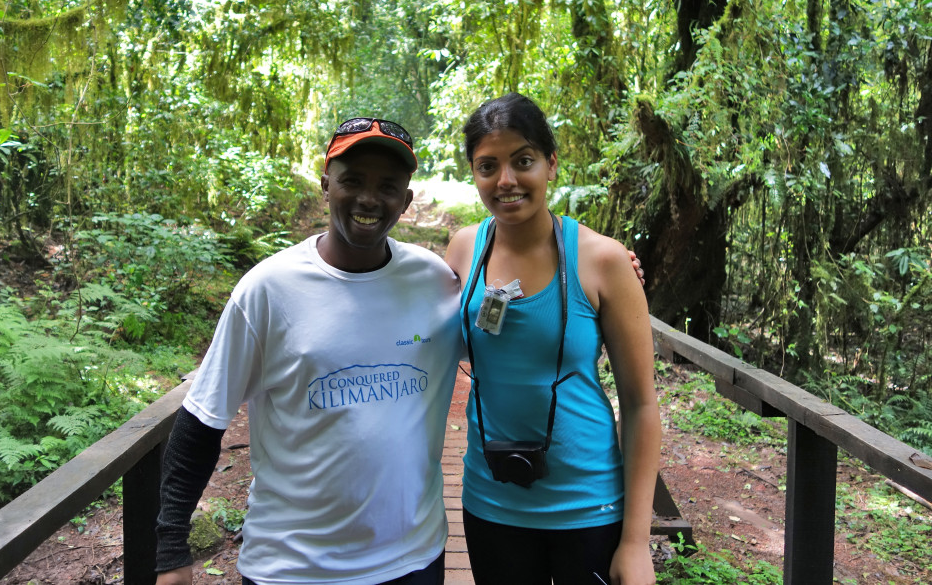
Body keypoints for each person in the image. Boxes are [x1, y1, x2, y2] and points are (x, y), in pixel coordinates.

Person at [154, 118, 463, 585]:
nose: (368, 199)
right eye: (352, 181)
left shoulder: (433, 279)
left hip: (413, 558)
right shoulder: (268, 289)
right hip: (293, 566)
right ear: (325, 184)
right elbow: (201, 421)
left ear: (406, 200)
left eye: (387, 186)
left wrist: (593, 277)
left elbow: (503, 335)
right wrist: (171, 549)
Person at [444, 93, 661, 585]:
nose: (506, 181)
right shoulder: (462, 250)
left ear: (551, 164)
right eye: (487, 165)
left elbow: (641, 405)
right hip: (490, 498)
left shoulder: (601, 260)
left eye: (523, 161)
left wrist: (635, 542)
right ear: (474, 174)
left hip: (588, 505)